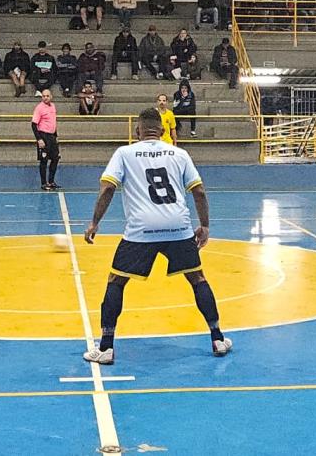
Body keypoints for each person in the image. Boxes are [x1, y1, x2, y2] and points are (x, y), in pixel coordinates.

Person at [82, 108, 232, 365]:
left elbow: (108, 188)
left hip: (141, 229)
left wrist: (95, 222)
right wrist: (204, 226)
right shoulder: (180, 154)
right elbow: (200, 193)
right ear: (163, 132)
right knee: (197, 278)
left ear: (136, 131)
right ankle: (218, 338)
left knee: (116, 281)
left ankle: (106, 347)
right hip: (178, 227)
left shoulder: (125, 153)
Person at [32, 89, 60, 191]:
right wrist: (39, 139)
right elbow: (34, 125)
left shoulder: (53, 106)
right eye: (43, 96)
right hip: (43, 136)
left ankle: (51, 181)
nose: (45, 98)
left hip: (52, 136)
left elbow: (53, 122)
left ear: (51, 96)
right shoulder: (39, 108)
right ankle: (44, 183)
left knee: (55, 158)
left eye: (47, 96)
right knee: (44, 160)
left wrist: (56, 136)